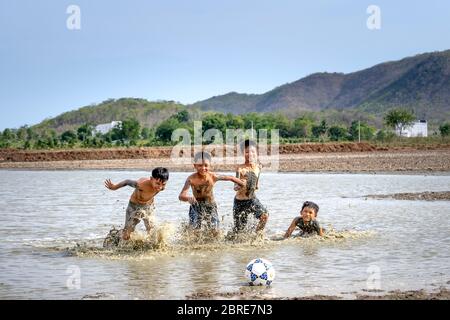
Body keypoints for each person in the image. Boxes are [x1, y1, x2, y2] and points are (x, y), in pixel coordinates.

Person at [178, 151, 244, 232]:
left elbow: (230, 178)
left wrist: (242, 184)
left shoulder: (213, 176)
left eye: (206, 165)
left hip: (210, 205)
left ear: (210, 165)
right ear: (194, 166)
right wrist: (188, 198)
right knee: (194, 230)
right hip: (196, 205)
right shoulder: (191, 179)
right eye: (200, 165)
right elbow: (181, 196)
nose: (203, 168)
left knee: (214, 230)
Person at [104, 167, 169, 240]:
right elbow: (127, 182)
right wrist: (114, 187)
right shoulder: (140, 185)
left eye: (163, 184)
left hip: (148, 207)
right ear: (151, 179)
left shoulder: (162, 187)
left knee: (151, 230)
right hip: (133, 206)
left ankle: (150, 247)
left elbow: (152, 194)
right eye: (157, 183)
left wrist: (152, 204)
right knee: (127, 234)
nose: (160, 187)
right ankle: (115, 236)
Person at [232, 139, 269, 233]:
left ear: (256, 152)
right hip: (239, 202)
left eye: (252, 151)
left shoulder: (258, 167)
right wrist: (240, 185)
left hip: (252, 200)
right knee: (239, 231)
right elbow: (235, 186)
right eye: (247, 152)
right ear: (243, 153)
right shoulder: (239, 168)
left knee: (264, 216)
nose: (250, 154)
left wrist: (254, 186)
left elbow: (256, 184)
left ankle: (256, 236)